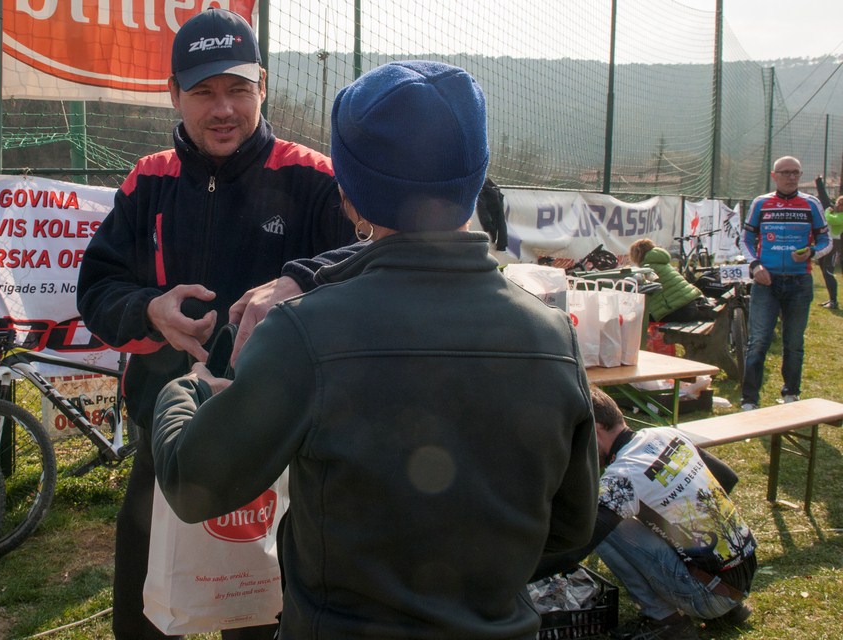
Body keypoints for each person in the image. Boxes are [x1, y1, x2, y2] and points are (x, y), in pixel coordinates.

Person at [152, 60, 599, 640]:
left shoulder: (307, 333)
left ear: (349, 194)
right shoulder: (552, 336)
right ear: (476, 177)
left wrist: (187, 388)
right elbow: (570, 529)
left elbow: (193, 483)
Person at [75, 8, 355, 639]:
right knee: (143, 619)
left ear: (263, 86)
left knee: (259, 619)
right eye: (203, 92)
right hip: (165, 438)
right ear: (174, 94)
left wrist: (302, 279)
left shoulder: (315, 179)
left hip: (279, 447)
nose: (223, 109)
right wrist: (151, 310)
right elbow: (96, 290)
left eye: (238, 89)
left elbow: (370, 269)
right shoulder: (149, 181)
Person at [536, 387, 757, 640]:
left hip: (709, 595)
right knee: (626, 513)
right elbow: (727, 477)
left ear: (595, 431)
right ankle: (729, 608)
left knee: (602, 523)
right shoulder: (666, 434)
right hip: (743, 574)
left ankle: (665, 620)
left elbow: (578, 545)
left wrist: (520, 577)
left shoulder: (622, 477)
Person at [739, 156, 831, 411]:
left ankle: (791, 394)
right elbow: (745, 239)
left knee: (793, 342)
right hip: (766, 282)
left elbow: (826, 240)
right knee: (758, 341)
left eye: (796, 172)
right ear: (774, 176)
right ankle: (749, 399)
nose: (791, 177)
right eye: (786, 172)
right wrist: (755, 266)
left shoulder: (811, 203)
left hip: (799, 282)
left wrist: (812, 252)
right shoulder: (761, 203)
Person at [628, 238, 715, 322]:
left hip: (680, 310)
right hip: (690, 305)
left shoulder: (648, 268)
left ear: (637, 254)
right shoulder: (661, 263)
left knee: (640, 317)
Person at [814, 175, 843, 309]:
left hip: (834, 245)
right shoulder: (832, 210)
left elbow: (830, 220)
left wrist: (827, 211)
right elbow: (824, 198)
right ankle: (831, 299)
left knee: (829, 272)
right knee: (824, 271)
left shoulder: (839, 216)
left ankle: (834, 302)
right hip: (824, 243)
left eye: (842, 204)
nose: (839, 205)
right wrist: (819, 182)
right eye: (839, 203)